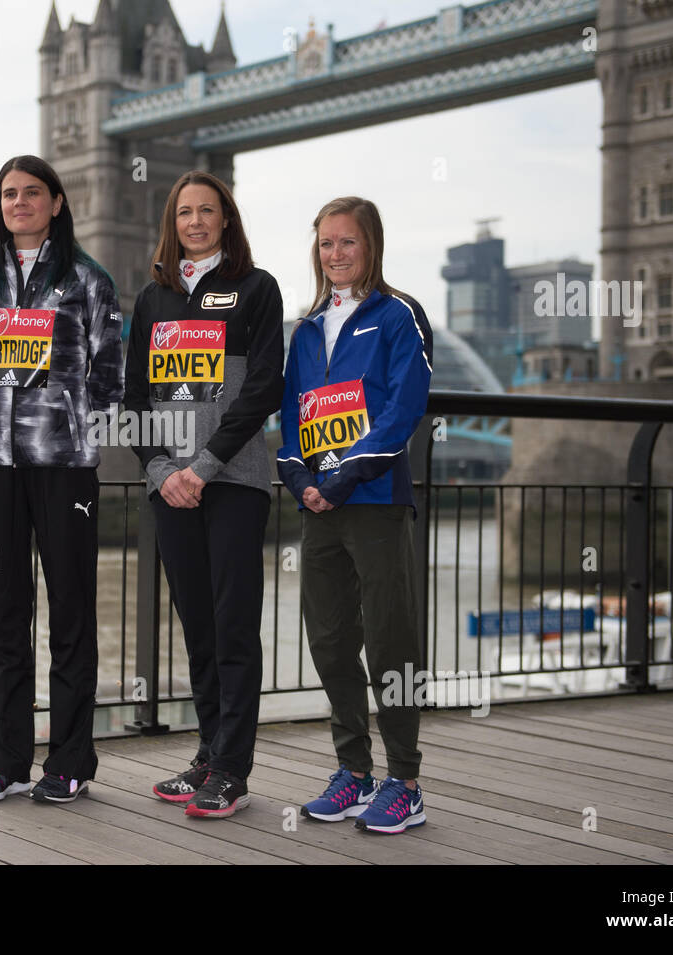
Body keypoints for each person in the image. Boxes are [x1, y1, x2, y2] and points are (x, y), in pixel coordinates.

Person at [0, 155, 124, 805]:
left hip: (65, 468)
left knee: (73, 612)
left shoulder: (88, 280)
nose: (19, 203)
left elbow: (110, 374)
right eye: (8, 194)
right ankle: (5, 760)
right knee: (6, 613)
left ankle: (72, 760)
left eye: (31, 193)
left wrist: (73, 428)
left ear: (57, 202)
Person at [123, 170, 284, 818]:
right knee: (197, 628)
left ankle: (233, 771)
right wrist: (163, 471)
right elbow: (134, 397)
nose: (194, 222)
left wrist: (207, 464)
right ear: (173, 223)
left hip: (234, 482)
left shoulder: (255, 289)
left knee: (234, 625)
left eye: (206, 211)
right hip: (173, 491)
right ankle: (208, 753)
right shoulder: (152, 299)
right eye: (184, 212)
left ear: (226, 219)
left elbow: (265, 386)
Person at [276, 196, 433, 834]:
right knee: (331, 641)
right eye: (326, 244)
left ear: (372, 246)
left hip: (373, 501)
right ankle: (354, 772)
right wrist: (301, 478)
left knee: (391, 639)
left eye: (348, 242)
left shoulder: (399, 315)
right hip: (319, 507)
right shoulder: (308, 328)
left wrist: (344, 476)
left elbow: (404, 409)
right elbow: (291, 415)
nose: (335, 255)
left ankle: (406, 780)